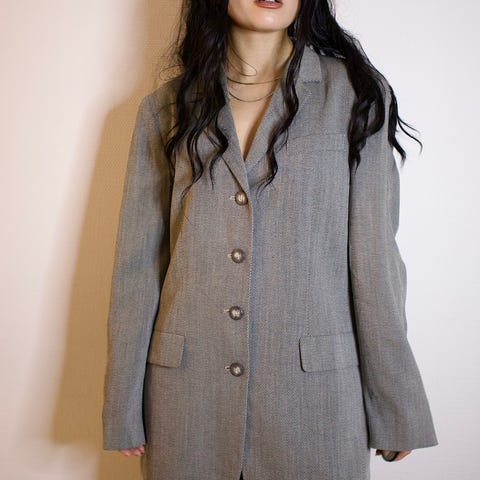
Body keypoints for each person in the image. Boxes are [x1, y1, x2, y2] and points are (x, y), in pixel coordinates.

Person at [102, 1, 439, 479]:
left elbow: (375, 261)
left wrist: (395, 405)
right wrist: (123, 404)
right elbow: (137, 269)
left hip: (316, 404)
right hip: (187, 404)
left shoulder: (355, 96)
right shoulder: (166, 109)